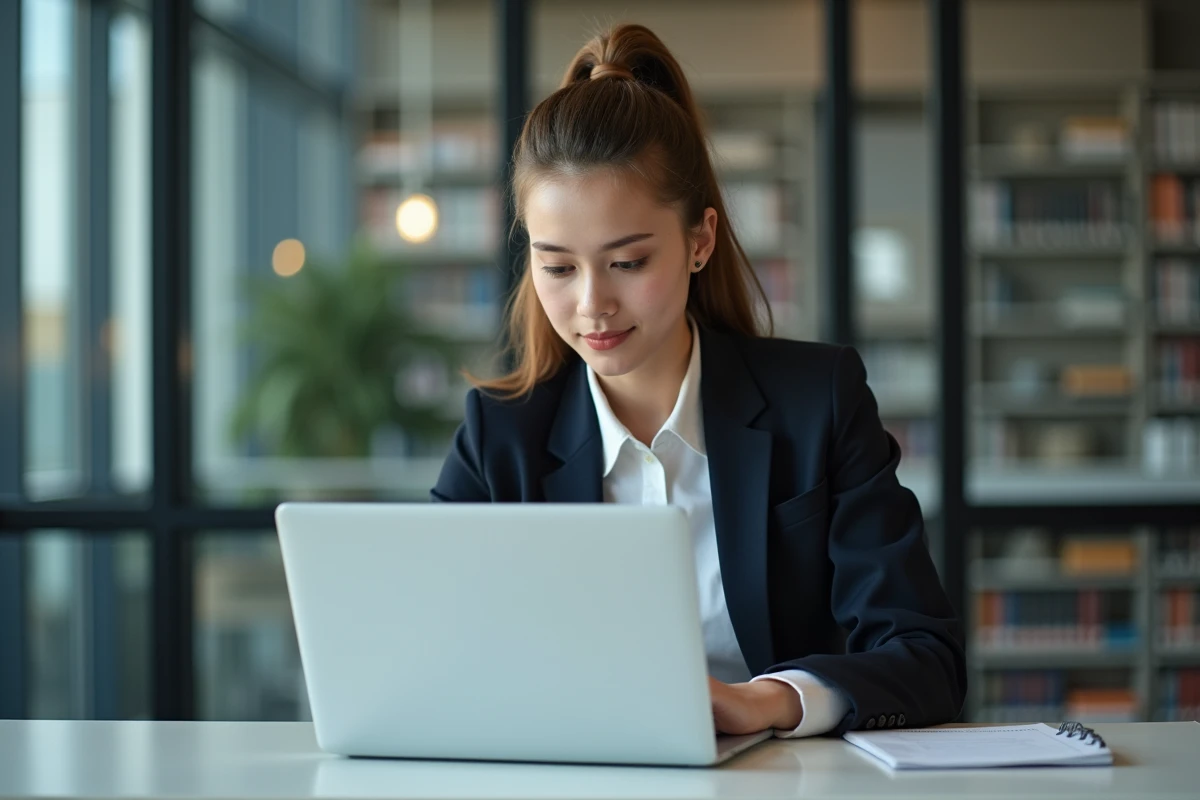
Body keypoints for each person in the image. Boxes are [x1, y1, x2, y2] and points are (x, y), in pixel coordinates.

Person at [432, 22, 965, 738]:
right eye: (558, 266)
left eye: (627, 262)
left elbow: (926, 657)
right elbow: (432, 660)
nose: (592, 305)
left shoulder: (819, 403)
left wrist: (767, 701)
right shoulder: (499, 439)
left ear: (699, 240)